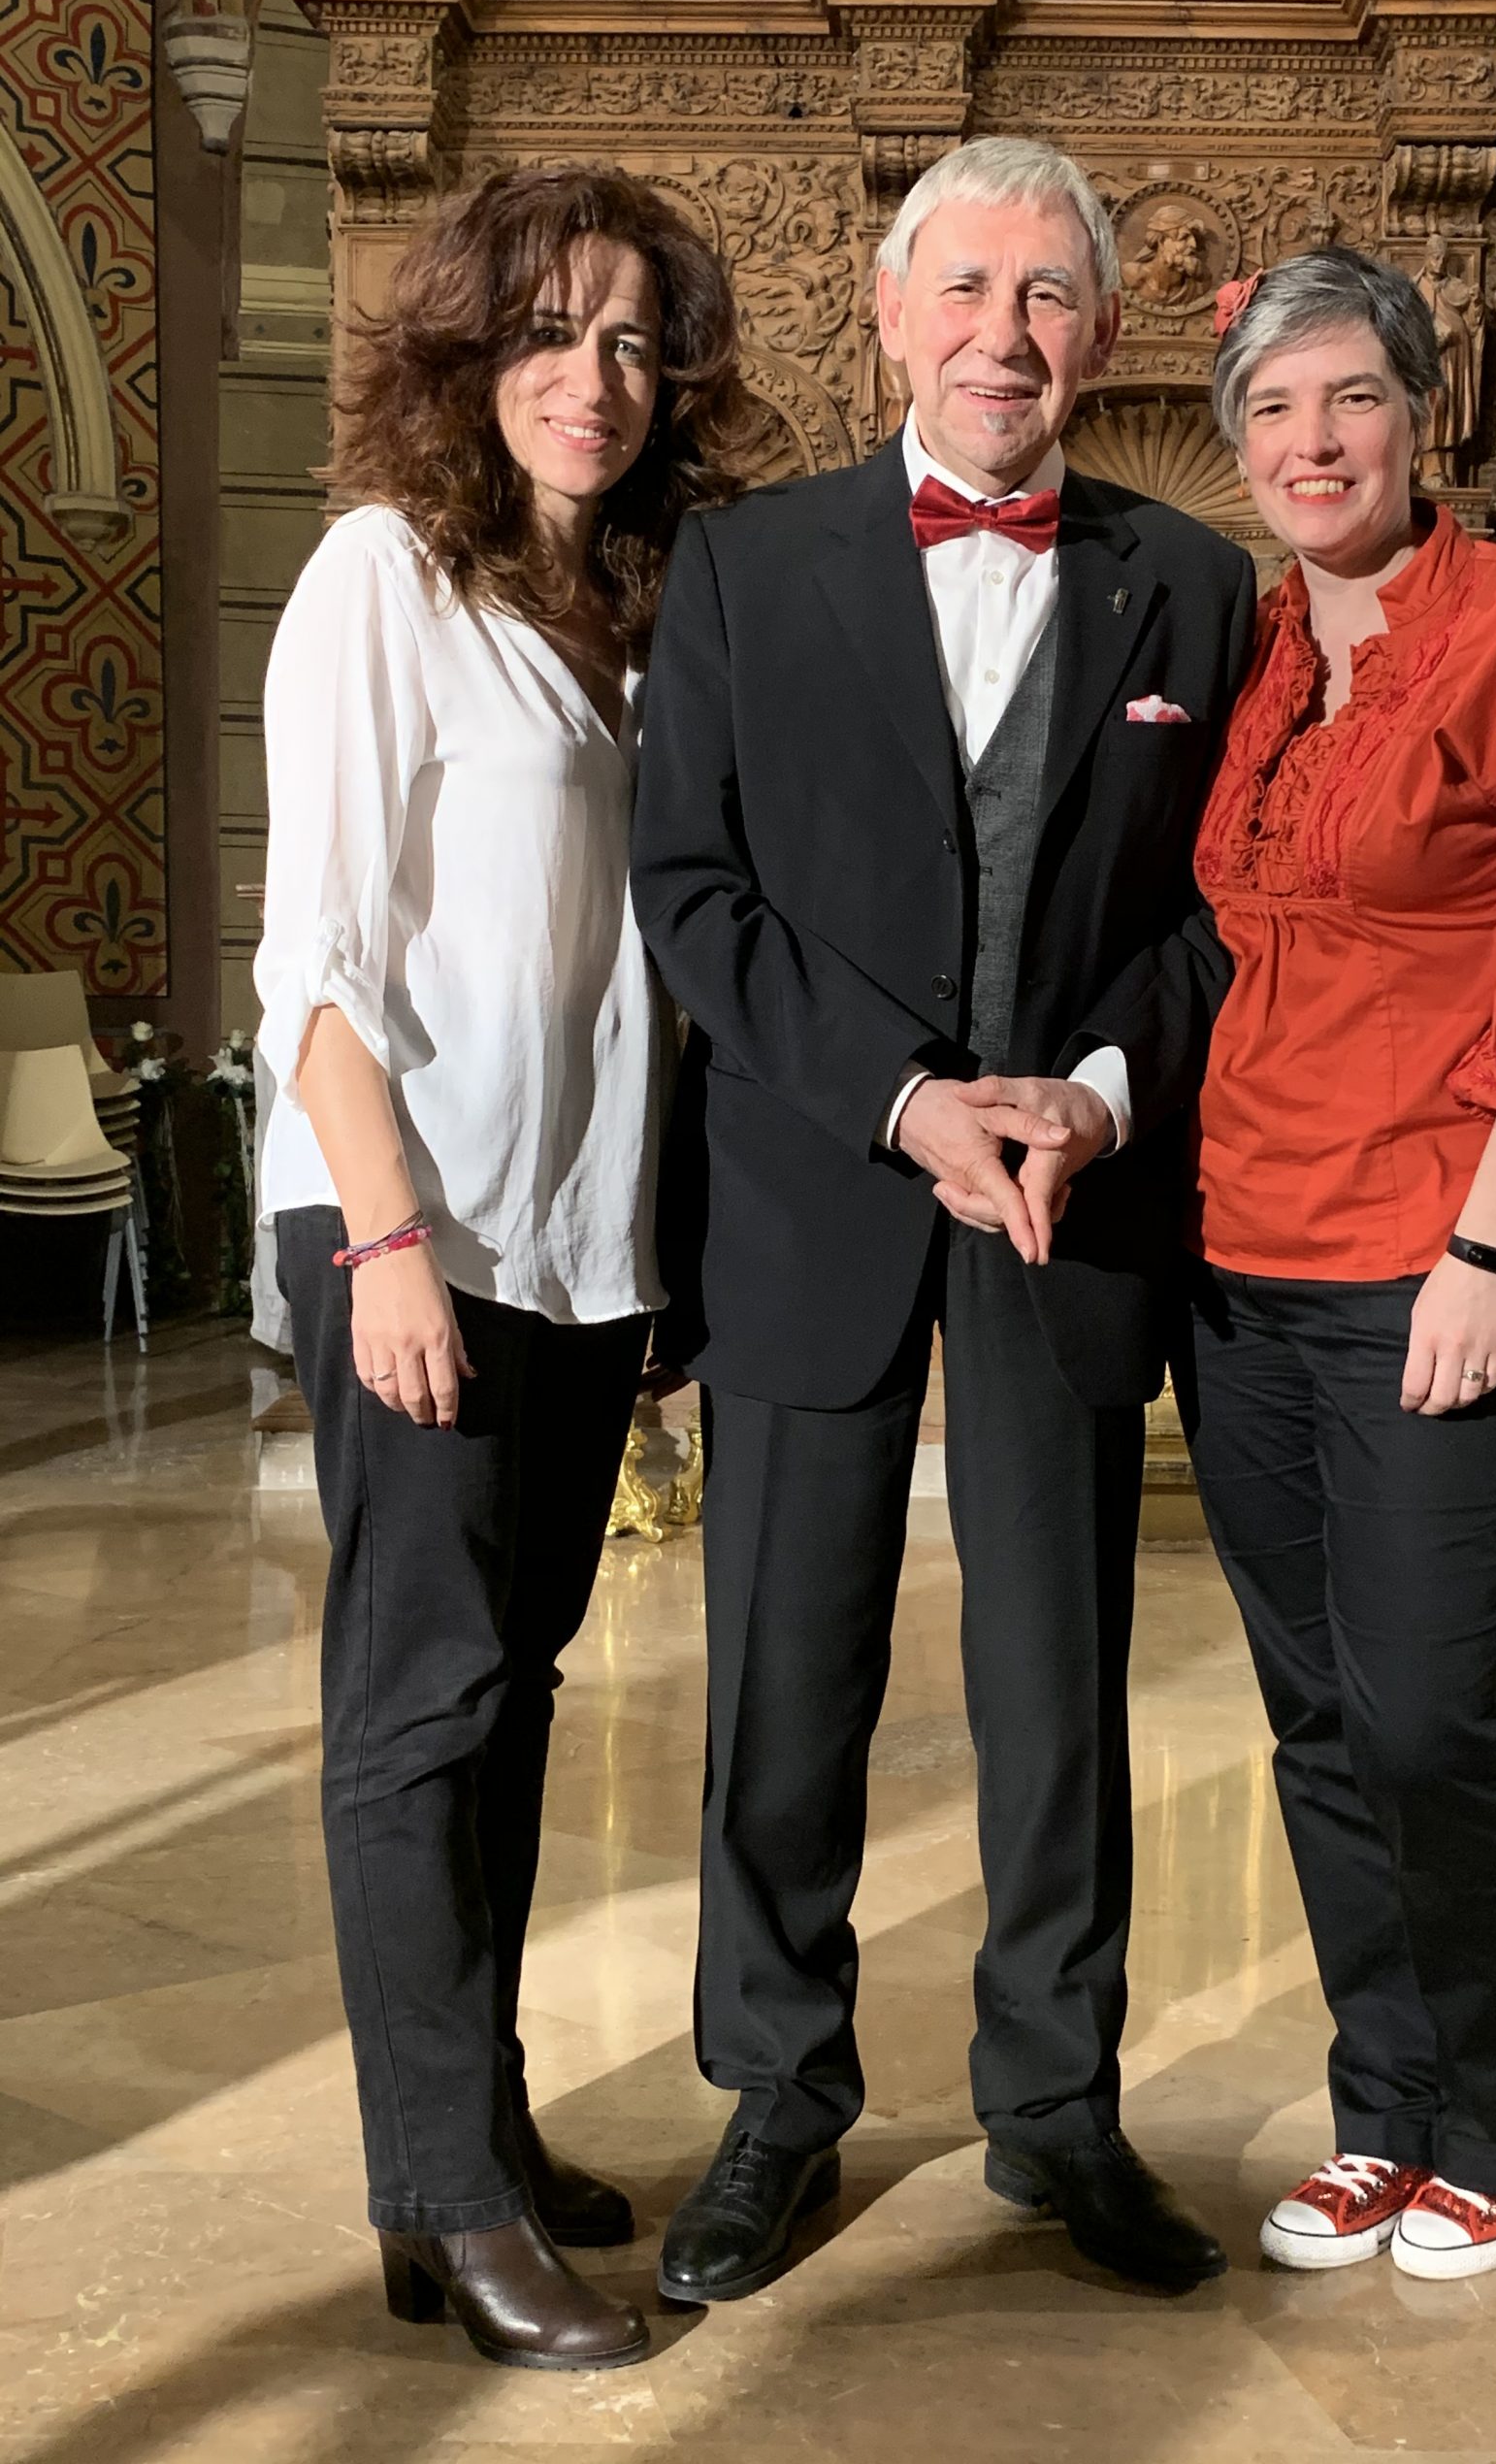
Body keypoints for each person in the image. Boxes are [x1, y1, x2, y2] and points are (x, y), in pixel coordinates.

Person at [630, 136, 1254, 2301]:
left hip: (1068, 1207)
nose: (1005, 335)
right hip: (815, 1192)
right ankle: (777, 2096)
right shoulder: (744, 566)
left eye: (1048, 294)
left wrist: (1091, 1097)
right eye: (966, 290)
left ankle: (1056, 2108)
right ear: (891, 314)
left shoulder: (1196, 584)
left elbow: (1218, 912)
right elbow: (692, 890)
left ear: (1104, 331)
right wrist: (905, 1102)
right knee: (782, 1676)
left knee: (1056, 1680)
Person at [253, 166, 746, 2370]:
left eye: (633, 341)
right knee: (417, 1704)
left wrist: (643, 1253)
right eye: (551, 331)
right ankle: (444, 2195)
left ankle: (470, 2135)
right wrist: (383, 1240)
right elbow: (317, 962)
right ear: (468, 354)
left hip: (568, 1246)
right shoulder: (385, 577)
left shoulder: (629, 614)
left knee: (514, 1686)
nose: (594, 378)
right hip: (417, 1225)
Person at [1174, 247, 1496, 2283]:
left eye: (1351, 398)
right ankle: (1383, 2107)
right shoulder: (1259, 646)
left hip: (1433, 1251)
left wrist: (1489, 1235)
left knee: (1429, 1715)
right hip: (1242, 1258)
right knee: (1314, 1716)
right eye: (1275, 409)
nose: (1313, 442)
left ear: (1421, 413)